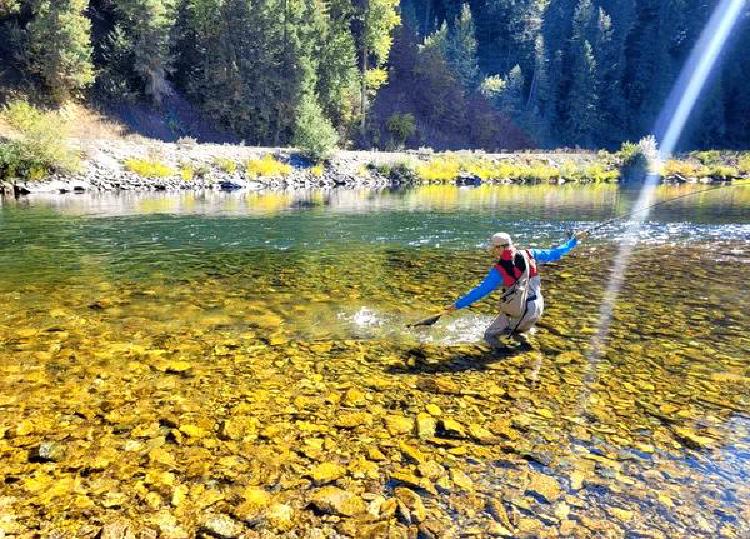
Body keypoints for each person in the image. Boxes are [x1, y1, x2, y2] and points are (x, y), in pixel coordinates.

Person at [442, 231, 588, 349]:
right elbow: (556, 253)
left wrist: (456, 305)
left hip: (522, 310)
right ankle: (523, 340)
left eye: (494, 248)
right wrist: (574, 240)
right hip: (537, 305)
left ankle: (506, 357)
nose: (493, 252)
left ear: (500, 248)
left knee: (489, 336)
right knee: (515, 330)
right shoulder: (530, 254)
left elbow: (480, 291)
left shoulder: (500, 269)